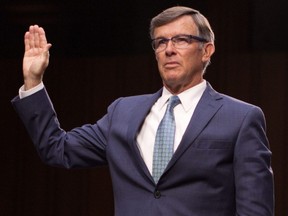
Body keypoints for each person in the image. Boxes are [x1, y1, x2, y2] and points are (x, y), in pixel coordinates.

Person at [12, 6, 274, 216]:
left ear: (207, 50)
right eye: (160, 42)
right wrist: (33, 82)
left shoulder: (240, 118)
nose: (168, 49)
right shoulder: (123, 112)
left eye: (181, 39)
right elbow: (57, 149)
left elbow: (255, 210)